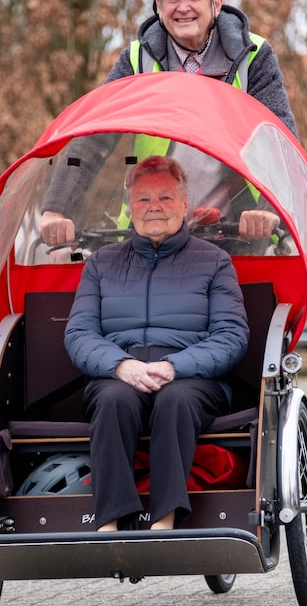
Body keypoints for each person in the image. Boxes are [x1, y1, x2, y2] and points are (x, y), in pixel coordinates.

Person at [63, 155, 249, 531]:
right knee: (113, 399)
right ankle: (111, 521)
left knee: (175, 400)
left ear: (184, 204)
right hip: (120, 371)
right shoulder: (101, 263)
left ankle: (165, 518)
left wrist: (175, 367)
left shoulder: (214, 261)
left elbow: (231, 336)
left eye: (165, 198)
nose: (154, 208)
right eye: (144, 200)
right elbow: (79, 333)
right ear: (130, 208)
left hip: (192, 375)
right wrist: (120, 366)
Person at [39, 0, 296, 247]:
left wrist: (268, 210)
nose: (183, 7)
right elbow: (94, 137)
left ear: (216, 3)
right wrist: (57, 209)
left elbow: (279, 139)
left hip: (233, 233)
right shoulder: (137, 59)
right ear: (158, 7)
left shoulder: (252, 56)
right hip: (150, 230)